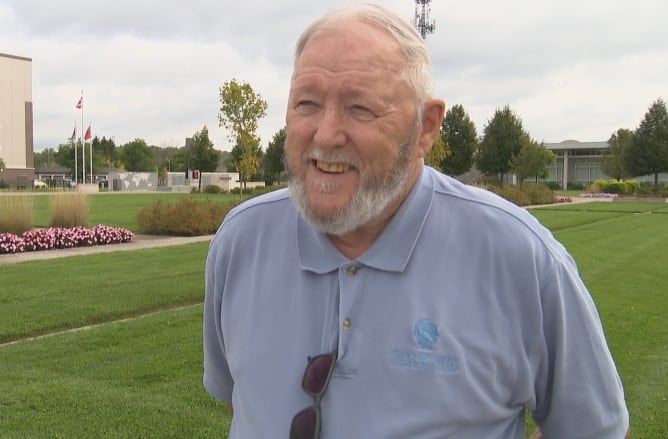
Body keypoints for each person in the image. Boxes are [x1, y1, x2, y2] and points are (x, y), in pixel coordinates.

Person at [203, 4, 630, 438]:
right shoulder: (241, 241)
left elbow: (593, 428)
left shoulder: (520, 259)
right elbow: (242, 399)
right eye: (307, 103)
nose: (326, 134)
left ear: (425, 128)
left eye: (360, 108)